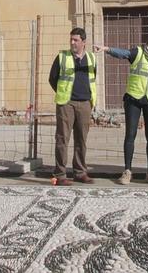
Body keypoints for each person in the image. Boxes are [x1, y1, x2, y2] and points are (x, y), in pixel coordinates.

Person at [94, 29, 148, 186]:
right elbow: (124, 53)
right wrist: (107, 49)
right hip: (133, 98)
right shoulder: (139, 52)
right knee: (130, 134)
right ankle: (127, 171)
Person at [49, 27, 97, 186]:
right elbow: (52, 78)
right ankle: (60, 175)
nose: (72, 42)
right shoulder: (62, 57)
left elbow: (93, 77)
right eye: (71, 39)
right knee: (62, 138)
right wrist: (63, 92)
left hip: (85, 103)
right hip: (66, 103)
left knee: (81, 139)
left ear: (84, 42)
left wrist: (89, 99)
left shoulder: (91, 58)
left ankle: (80, 172)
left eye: (76, 40)